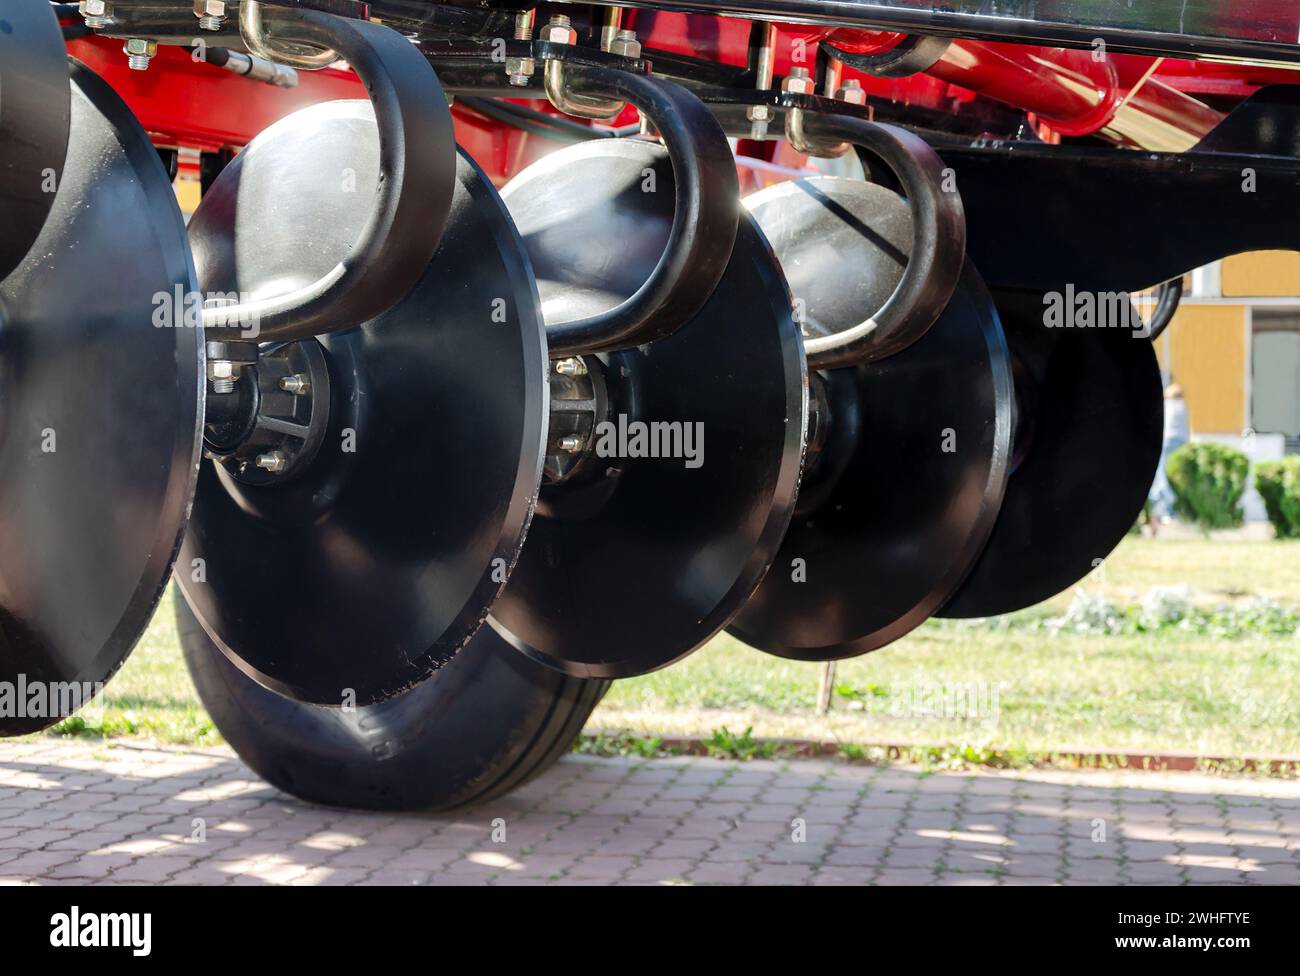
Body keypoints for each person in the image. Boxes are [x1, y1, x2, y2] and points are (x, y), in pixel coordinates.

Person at [1147, 382, 1189, 534]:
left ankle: (1160, 512)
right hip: (1179, 444)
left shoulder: (1166, 405)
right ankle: (1165, 512)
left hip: (1166, 443)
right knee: (1167, 478)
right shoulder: (1182, 407)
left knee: (1161, 477)